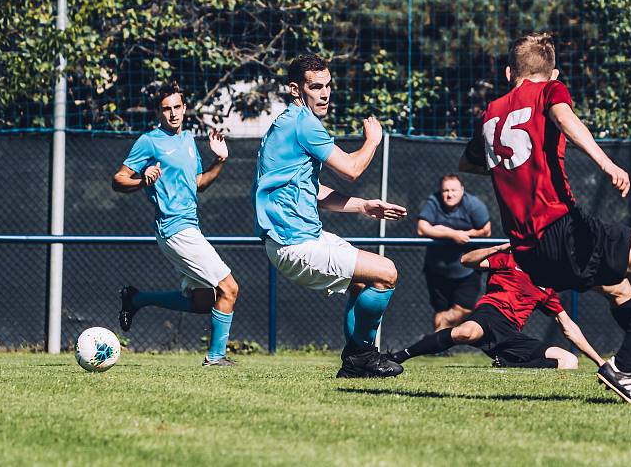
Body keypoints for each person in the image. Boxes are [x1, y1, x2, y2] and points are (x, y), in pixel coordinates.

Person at [460, 33, 631, 403]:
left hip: (530, 254)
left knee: (620, 290)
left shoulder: (489, 114)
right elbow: (566, 119)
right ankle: (624, 365)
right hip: (562, 229)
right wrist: (606, 163)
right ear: (553, 74)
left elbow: (469, 163)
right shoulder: (549, 92)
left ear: (509, 73)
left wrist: (509, 171)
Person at [253, 53, 408, 378]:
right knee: (386, 272)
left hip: (297, 238)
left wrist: (363, 205)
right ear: (296, 90)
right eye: (316, 87)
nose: (324, 94)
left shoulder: (284, 124)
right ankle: (361, 356)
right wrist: (373, 141)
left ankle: (356, 361)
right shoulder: (304, 124)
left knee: (363, 282)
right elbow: (352, 168)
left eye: (328, 86)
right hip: (294, 243)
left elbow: (311, 190)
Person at [112, 81, 240, 367]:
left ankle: (137, 299)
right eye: (166, 109)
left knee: (203, 302)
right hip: (174, 229)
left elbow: (198, 184)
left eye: (177, 107)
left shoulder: (188, 140)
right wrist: (140, 180)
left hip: (189, 227)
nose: (173, 114)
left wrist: (220, 160)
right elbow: (118, 180)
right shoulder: (149, 141)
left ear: (185, 108)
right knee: (229, 288)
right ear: (159, 112)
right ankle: (216, 358)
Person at [388, 243, 604, 369]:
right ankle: (398, 356)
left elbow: (569, 327)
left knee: (569, 361)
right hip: (490, 313)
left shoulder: (547, 287)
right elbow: (466, 260)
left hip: (510, 333)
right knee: (466, 332)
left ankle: (509, 366)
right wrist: (501, 247)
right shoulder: (509, 259)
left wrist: (600, 363)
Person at [417, 174, 491, 330]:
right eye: (445, 190)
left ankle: (436, 339)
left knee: (464, 309)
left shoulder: (473, 204)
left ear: (462, 190)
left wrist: (467, 234)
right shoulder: (434, 201)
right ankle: (436, 348)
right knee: (440, 310)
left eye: (454, 190)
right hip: (437, 268)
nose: (449, 194)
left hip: (467, 269)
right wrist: (452, 234)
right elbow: (422, 228)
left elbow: (486, 230)